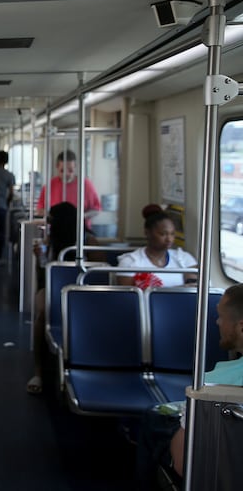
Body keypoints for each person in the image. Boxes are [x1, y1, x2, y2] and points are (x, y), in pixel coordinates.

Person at [136, 283, 243, 488]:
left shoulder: (215, 384)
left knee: (155, 416)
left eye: (221, 316)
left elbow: (184, 464)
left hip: (219, 472)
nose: (217, 322)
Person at [26, 202, 104, 394]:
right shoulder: (51, 241)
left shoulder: (89, 241)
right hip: (55, 289)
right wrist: (40, 258)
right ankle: (39, 371)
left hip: (84, 291)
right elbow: (46, 274)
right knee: (43, 313)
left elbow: (99, 272)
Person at [116, 204, 197, 289]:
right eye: (163, 234)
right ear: (147, 233)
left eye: (172, 234)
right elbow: (128, 297)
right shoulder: (130, 262)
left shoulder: (184, 258)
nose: (169, 239)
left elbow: (192, 288)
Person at [36, 150, 101, 231]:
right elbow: (40, 209)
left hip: (79, 230)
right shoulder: (49, 185)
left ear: (75, 167)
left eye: (70, 170)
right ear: (57, 166)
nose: (66, 174)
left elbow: (96, 209)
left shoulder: (85, 185)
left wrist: (80, 216)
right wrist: (56, 217)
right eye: (62, 170)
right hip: (56, 230)